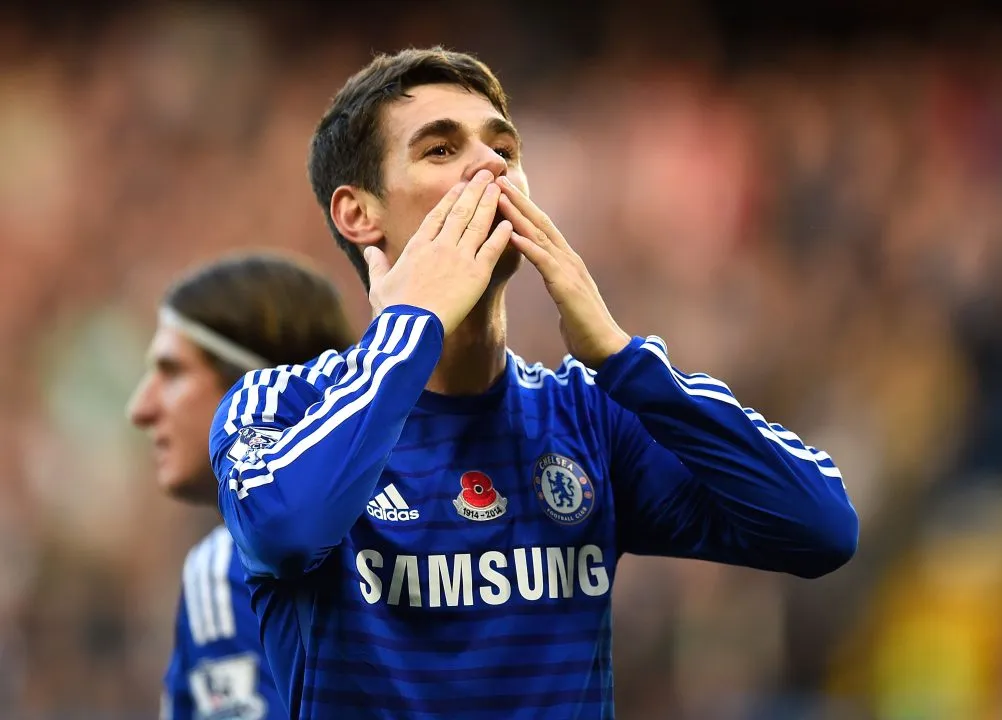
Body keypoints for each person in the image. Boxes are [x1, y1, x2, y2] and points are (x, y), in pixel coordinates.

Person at [210, 47, 859, 719]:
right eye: (440, 150)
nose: (491, 167)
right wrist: (411, 329)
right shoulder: (280, 407)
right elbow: (286, 530)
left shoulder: (589, 417)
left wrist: (619, 356)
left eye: (504, 149)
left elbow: (821, 526)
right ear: (358, 214)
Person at [128, 253, 356, 719]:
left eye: (171, 372)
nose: (140, 408)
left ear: (251, 392)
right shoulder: (415, 527)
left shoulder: (224, 568)